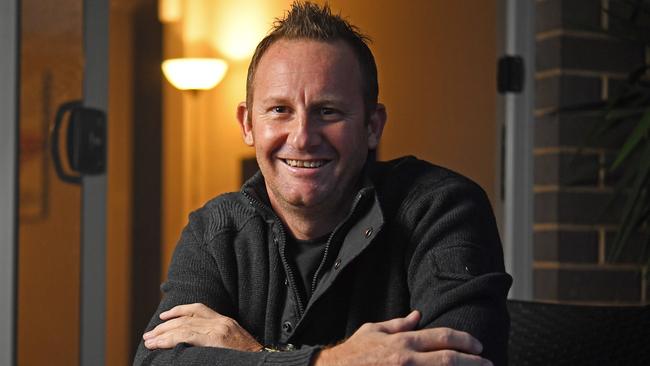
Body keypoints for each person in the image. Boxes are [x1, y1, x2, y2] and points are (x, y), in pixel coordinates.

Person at [134, 2, 512, 365]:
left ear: (372, 126)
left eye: (327, 111)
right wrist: (333, 362)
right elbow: (158, 360)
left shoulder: (443, 209)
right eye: (280, 110)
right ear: (248, 124)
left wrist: (252, 354)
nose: (302, 138)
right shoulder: (214, 229)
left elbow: (464, 361)